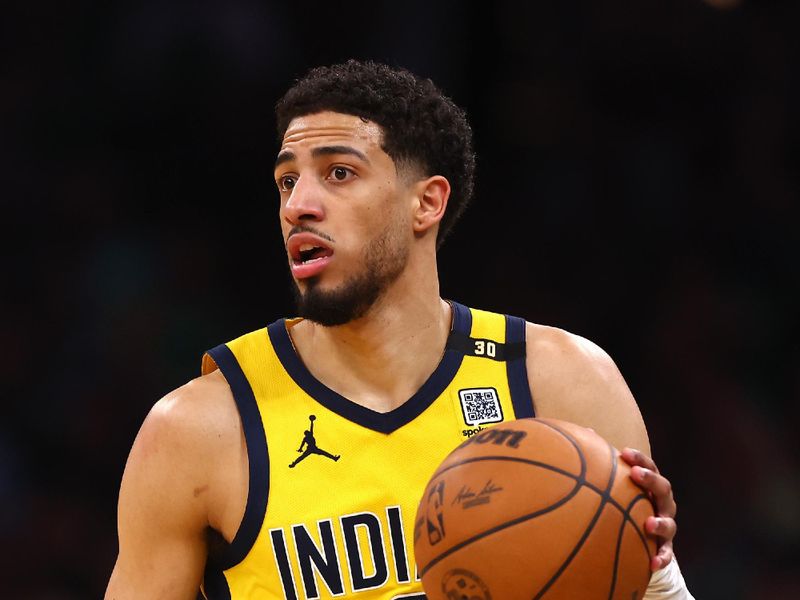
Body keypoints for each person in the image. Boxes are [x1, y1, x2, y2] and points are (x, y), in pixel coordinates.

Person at [105, 60, 692, 599]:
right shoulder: (200, 430)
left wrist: (659, 575)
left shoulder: (559, 382)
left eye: (338, 173)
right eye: (287, 181)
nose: (298, 204)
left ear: (427, 204)